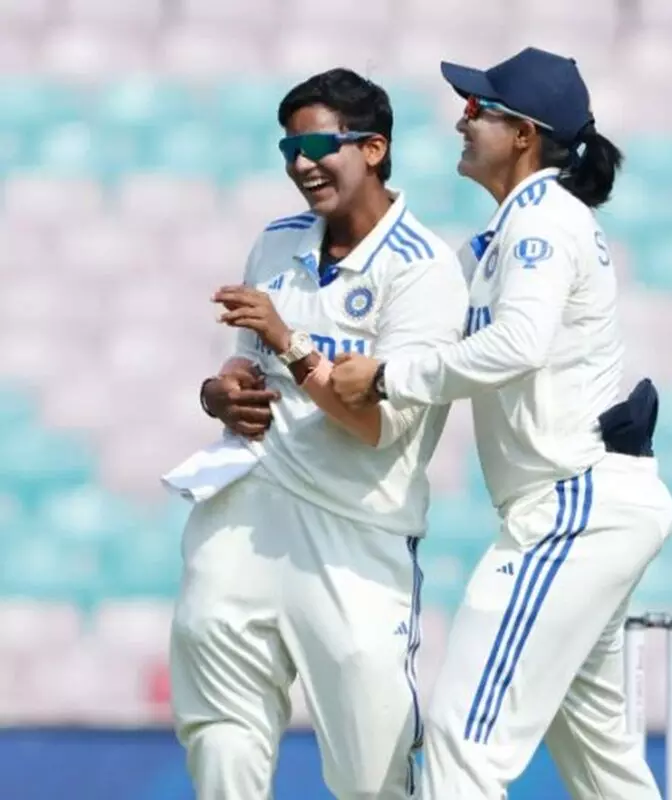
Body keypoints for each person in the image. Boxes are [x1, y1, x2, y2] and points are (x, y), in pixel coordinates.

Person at [330, 47, 672, 799]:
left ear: (524, 134)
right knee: (600, 761)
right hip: (576, 506)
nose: (462, 120)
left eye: (478, 109)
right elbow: (421, 332)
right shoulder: (493, 241)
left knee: (464, 740)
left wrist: (386, 376)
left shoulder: (543, 219)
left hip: (571, 507)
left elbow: (518, 344)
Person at [168, 68, 467, 800]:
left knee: (372, 775)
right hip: (247, 510)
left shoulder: (424, 270)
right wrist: (220, 395)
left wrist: (290, 338)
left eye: (316, 146)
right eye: (288, 149)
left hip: (354, 534)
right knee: (222, 731)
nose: (300, 164)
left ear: (373, 148)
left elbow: (379, 427)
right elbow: (246, 363)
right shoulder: (276, 243)